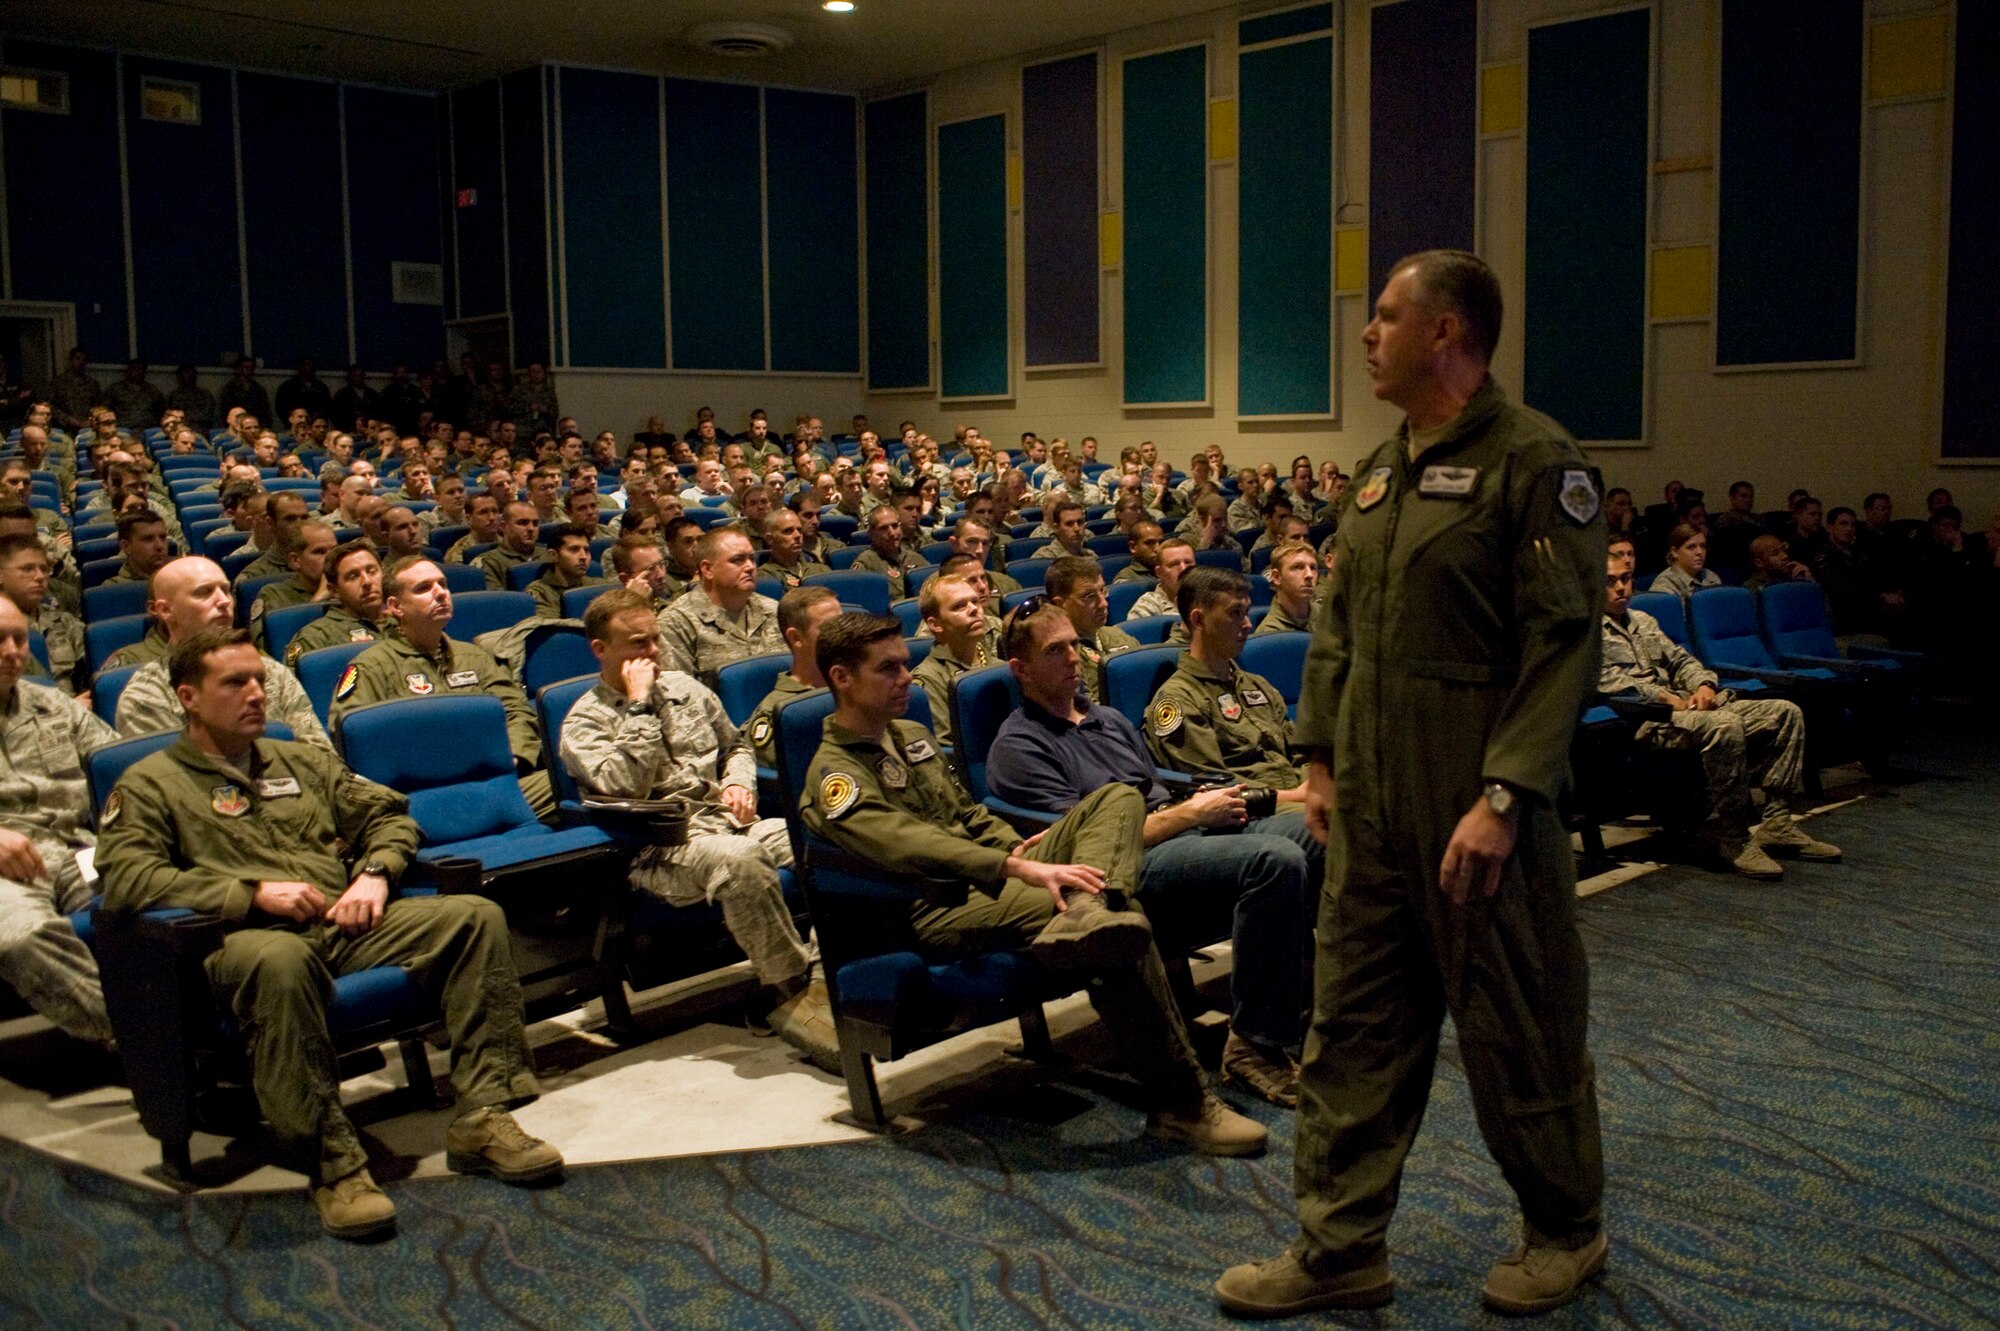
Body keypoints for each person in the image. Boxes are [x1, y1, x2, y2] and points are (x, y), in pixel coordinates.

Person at [1218, 250, 1607, 1318]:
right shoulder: (1380, 471)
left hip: (1475, 798)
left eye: (1385, 316)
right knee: (1351, 1024)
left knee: (1517, 1023)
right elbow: (1339, 630)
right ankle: (1338, 1245)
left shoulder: (1534, 461)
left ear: (1445, 331)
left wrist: (1504, 796)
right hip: (1372, 800)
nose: (1365, 332)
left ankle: (1565, 1227)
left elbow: (1562, 643)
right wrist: (1317, 757)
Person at [97, 627, 561, 1239]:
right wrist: (250, 893)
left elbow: (390, 818)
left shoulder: (300, 760)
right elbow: (127, 877)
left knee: (473, 917)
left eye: (258, 679)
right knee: (282, 961)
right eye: (234, 683)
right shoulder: (150, 783)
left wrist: (374, 875)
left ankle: (482, 1115)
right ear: (188, 697)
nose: (255, 693)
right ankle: (332, 1161)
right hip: (241, 941)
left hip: (338, 922)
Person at [801, 613, 1267, 1156]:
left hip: (995, 871)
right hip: (938, 902)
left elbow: (968, 815)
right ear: (841, 678)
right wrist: (1012, 865)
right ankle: (1182, 1105)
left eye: (906, 665)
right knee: (1117, 924)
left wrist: (1016, 847)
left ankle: (1090, 905)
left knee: (1119, 797)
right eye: (888, 669)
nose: (907, 678)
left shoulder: (910, 736)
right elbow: (907, 843)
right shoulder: (834, 774)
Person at [988, 601, 1311, 1105]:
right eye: (1055, 651)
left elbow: (1159, 790)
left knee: (1318, 831)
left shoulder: (1108, 719)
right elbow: (1085, 845)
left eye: (1074, 644)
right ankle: (1256, 1046)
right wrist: (1189, 815)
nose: (1074, 658)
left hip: (1184, 831)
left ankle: (1313, 1007)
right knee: (1274, 861)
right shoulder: (1019, 747)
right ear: (1020, 669)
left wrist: (1199, 808)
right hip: (1129, 868)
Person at [558, 590, 835, 1067]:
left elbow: (737, 746)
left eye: (655, 639)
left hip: (727, 822)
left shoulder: (685, 687)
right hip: (660, 847)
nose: (652, 652)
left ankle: (827, 978)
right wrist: (639, 705)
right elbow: (627, 784)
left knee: (826, 837)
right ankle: (790, 993)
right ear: (600, 649)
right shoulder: (585, 722)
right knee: (741, 860)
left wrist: (738, 783)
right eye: (637, 643)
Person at [1601, 554, 1839, 878]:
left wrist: (1704, 684)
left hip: (1687, 708)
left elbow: (1682, 661)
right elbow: (1603, 681)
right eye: (1610, 581)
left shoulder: (1643, 621)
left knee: (1785, 713)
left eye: (1625, 578)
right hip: (1648, 718)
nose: (1621, 587)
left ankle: (1778, 823)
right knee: (1725, 725)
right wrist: (1662, 697)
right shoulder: (1583, 634)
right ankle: (1734, 838)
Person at [330, 557, 555, 820]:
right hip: (420, 796)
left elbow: (516, 711)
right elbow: (355, 742)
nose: (440, 593)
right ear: (395, 606)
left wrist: (513, 757)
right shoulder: (371, 668)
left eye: (443, 584)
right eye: (423, 588)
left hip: (490, 783)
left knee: (567, 779)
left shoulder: (474, 656)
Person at [0, 593, 117, 1044]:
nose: (13, 651)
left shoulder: (52, 704)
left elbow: (118, 764)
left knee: (148, 895)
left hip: (75, 848)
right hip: (7, 869)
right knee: (21, 937)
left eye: (19, 639)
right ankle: (140, 1040)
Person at [114, 556, 334, 746]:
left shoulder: (271, 672)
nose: (223, 601)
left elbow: (321, 757)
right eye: (204, 592)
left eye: (226, 590)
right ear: (165, 610)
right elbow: (172, 777)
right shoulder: (147, 694)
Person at [654, 528, 782, 689]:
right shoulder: (676, 623)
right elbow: (678, 693)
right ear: (707, 569)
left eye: (751, 558)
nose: (750, 567)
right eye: (737, 560)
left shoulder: (773, 610)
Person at [742, 586, 842, 770]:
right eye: (829, 627)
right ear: (796, 638)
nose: (843, 635)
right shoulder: (778, 713)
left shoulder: (856, 687)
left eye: (842, 624)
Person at [908, 574, 996, 745]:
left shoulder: (1000, 666)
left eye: (975, 601)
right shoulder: (929, 679)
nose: (974, 609)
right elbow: (947, 747)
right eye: (959, 606)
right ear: (935, 624)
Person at [1043, 555, 1138, 704]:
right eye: (1089, 596)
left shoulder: (1119, 636)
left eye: (1102, 590)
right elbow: (1085, 711)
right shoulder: (1061, 658)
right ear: (1060, 604)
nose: (1103, 604)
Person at [0, 535, 86, 691]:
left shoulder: (64, 621)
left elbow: (91, 673)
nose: (40, 577)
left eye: (44, 569)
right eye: (27, 569)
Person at [282, 542, 388, 666]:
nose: (367, 582)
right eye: (353, 577)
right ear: (334, 590)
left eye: (372, 571)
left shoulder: (402, 622)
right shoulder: (315, 637)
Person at [248, 521, 337, 652]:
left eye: (334, 550)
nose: (331, 558)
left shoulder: (347, 589)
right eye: (319, 552)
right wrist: (318, 601)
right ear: (296, 560)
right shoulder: (274, 595)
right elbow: (269, 648)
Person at [527, 524, 611, 618]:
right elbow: (550, 625)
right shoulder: (540, 591)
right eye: (574, 549)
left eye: (586, 550)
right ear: (553, 555)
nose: (583, 556)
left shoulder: (599, 586)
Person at [851, 506, 924, 598]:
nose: (892, 533)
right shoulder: (866, 563)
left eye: (895, 526)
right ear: (871, 534)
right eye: (883, 528)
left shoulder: (915, 558)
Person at [1127, 537, 1196, 630]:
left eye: (1188, 562)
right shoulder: (1147, 606)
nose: (1183, 568)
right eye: (1174, 564)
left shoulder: (1206, 598)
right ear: (1159, 572)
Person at [477, 501, 548, 590]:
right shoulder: (489, 562)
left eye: (535, 523)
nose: (531, 528)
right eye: (522, 523)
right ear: (503, 526)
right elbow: (495, 597)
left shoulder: (550, 555)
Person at [1256, 540, 1319, 635]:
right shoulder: (1269, 634)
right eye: (1298, 567)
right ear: (1276, 577)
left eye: (1313, 568)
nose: (1309, 575)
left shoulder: (1330, 616)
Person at [1650, 523, 1722, 602]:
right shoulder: (1664, 585)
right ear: (1674, 552)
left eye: (1703, 546)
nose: (1699, 552)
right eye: (1691, 547)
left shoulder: (1711, 577)